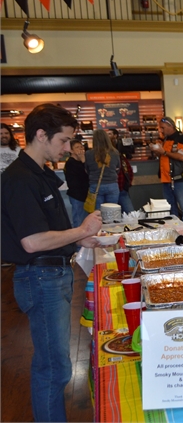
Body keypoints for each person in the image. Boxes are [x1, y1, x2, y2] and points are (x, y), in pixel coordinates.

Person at [1, 103, 103, 422]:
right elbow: (32, 241)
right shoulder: (20, 179)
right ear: (41, 135)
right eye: (63, 140)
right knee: (53, 369)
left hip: (51, 275)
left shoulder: (39, 174)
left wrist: (77, 240)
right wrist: (81, 230)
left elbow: (49, 230)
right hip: (41, 278)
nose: (67, 148)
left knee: (56, 365)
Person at [151, 117, 183, 227]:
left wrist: (164, 152)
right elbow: (164, 156)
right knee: (170, 208)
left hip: (179, 179)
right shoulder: (164, 140)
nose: (161, 130)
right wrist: (156, 151)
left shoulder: (182, 139)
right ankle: (175, 231)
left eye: (163, 128)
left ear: (170, 126)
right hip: (166, 180)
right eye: (160, 128)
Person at [85, 129, 120, 210]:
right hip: (112, 184)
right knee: (111, 212)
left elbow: (87, 169)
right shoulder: (115, 152)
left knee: (97, 213)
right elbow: (118, 168)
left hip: (95, 184)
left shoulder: (88, 154)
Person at [107, 129, 135, 214]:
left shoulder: (120, 157)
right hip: (111, 191)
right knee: (113, 216)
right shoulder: (105, 159)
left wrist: (127, 184)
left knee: (130, 214)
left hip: (121, 189)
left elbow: (129, 171)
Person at [64, 139, 89, 228]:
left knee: (87, 221)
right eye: (77, 147)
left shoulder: (84, 161)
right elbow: (84, 175)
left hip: (86, 195)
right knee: (79, 221)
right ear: (71, 151)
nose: (81, 149)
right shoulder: (71, 163)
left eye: (81, 147)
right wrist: (83, 161)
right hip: (77, 196)